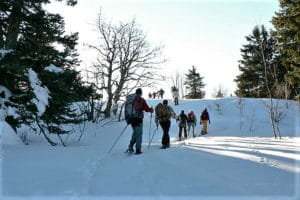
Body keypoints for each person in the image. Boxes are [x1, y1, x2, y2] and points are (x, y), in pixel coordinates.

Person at [127, 88, 153, 154]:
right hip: (139, 119)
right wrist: (151, 110)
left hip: (131, 119)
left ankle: (130, 146)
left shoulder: (131, 100)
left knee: (135, 133)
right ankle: (138, 149)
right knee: (139, 134)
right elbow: (146, 108)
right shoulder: (141, 100)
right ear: (141, 93)